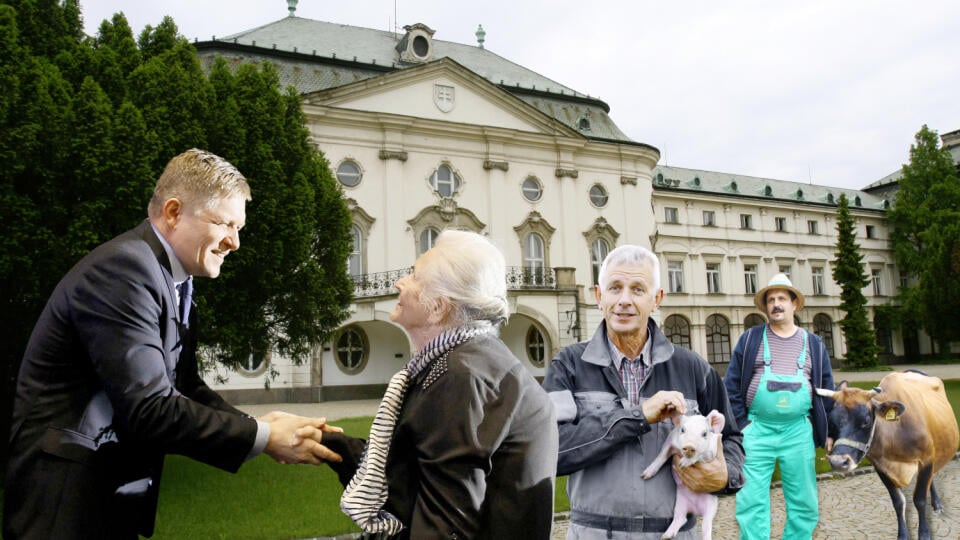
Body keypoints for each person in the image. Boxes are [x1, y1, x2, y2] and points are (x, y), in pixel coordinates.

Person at [3, 149, 343, 540]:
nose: (235, 242)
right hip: (64, 503)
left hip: (109, 492)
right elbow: (150, 408)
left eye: (240, 228)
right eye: (226, 224)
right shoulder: (125, 270)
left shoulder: (175, 280)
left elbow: (183, 387)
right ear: (174, 211)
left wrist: (258, 427)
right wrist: (263, 437)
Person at [334, 229, 559, 539]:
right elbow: (418, 464)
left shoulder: (460, 374)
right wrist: (328, 446)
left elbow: (446, 523)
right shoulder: (465, 361)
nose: (400, 283)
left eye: (413, 276)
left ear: (438, 307)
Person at [542, 244, 745, 540]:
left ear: (657, 299)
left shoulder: (693, 367)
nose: (624, 300)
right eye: (614, 288)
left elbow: (733, 437)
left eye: (638, 289)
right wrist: (637, 416)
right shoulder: (569, 364)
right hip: (595, 534)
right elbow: (550, 451)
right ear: (599, 297)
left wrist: (727, 475)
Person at [723, 273, 835, 540]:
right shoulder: (750, 339)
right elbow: (731, 384)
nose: (776, 304)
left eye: (782, 298)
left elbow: (827, 389)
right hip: (757, 430)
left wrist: (830, 429)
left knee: (804, 501)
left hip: (797, 431)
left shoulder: (814, 344)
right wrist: (742, 425)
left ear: (794, 304)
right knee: (750, 500)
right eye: (771, 299)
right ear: (766, 307)